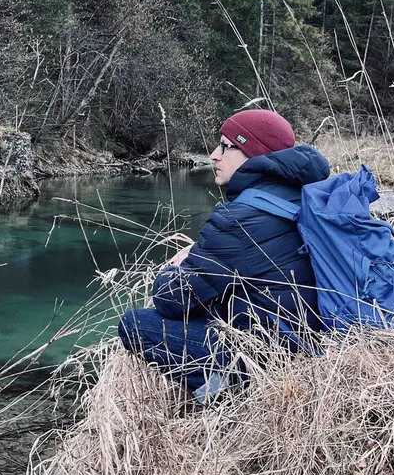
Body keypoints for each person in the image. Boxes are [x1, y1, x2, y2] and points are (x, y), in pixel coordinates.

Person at [118, 108, 331, 403]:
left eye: (225, 146)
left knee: (134, 323)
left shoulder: (240, 217)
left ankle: (226, 396)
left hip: (271, 354)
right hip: (318, 343)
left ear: (252, 153)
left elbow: (171, 300)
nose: (214, 155)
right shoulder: (310, 197)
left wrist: (175, 267)